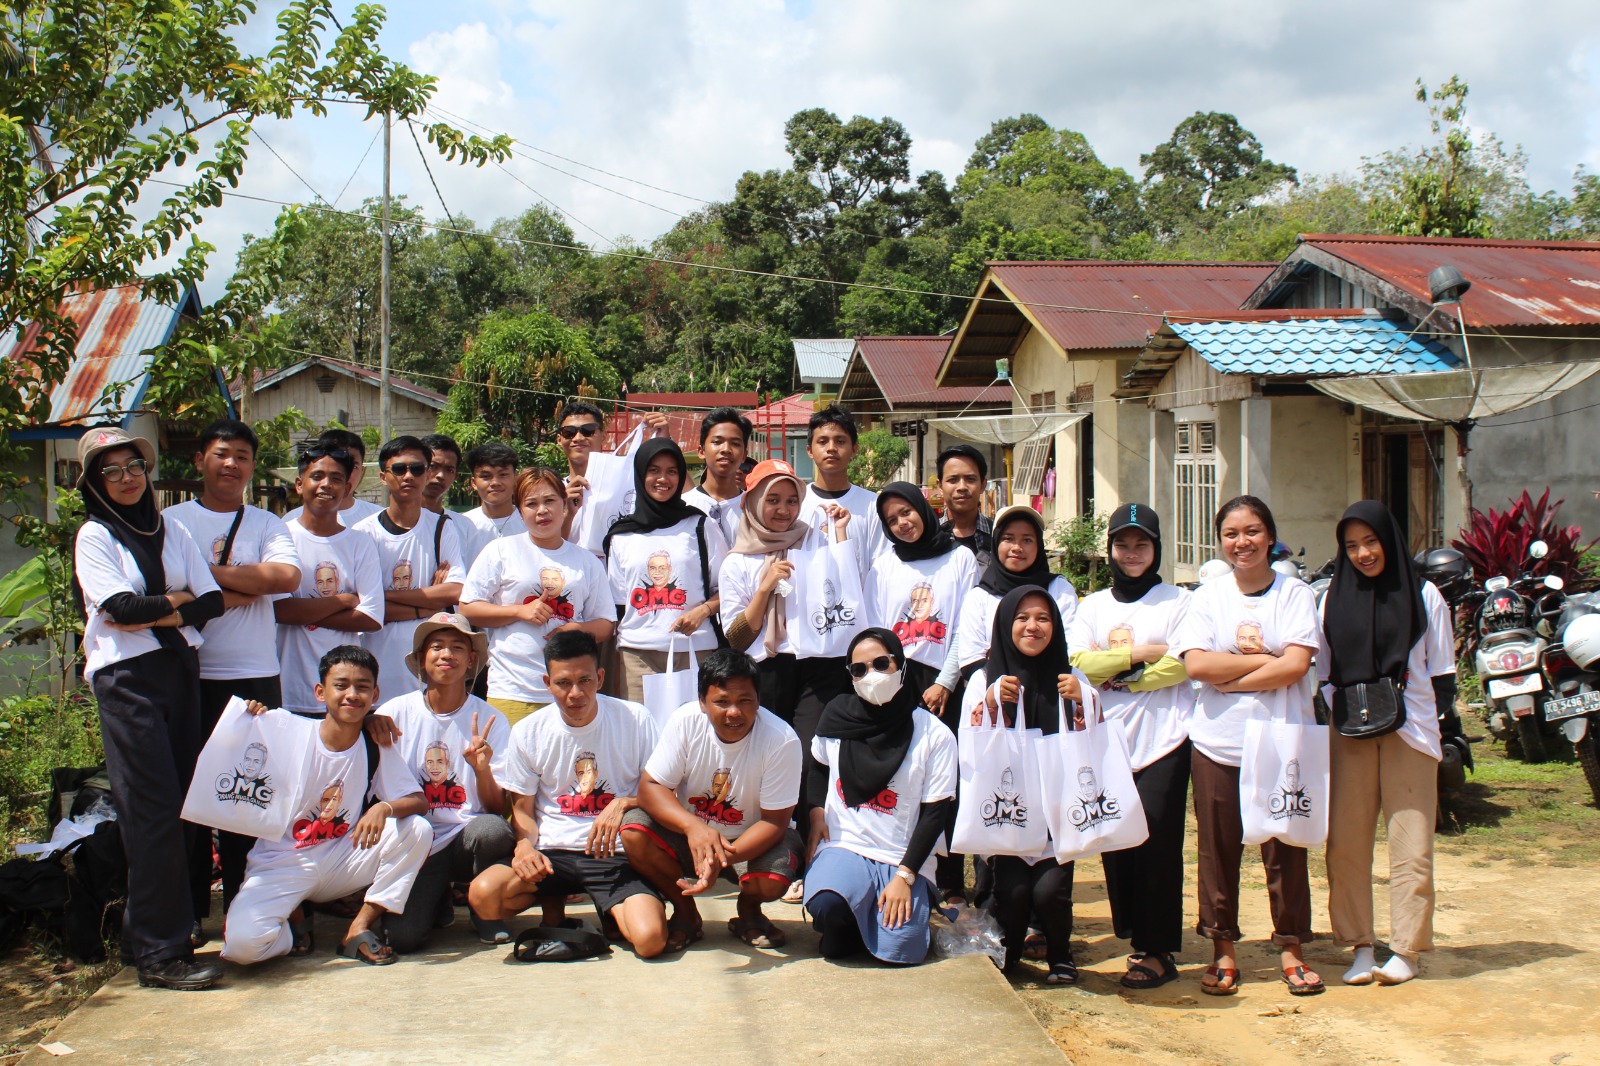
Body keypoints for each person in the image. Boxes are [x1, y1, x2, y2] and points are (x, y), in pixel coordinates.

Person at [72, 426, 224, 990]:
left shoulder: (171, 528)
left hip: (180, 672)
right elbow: (117, 607)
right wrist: (175, 604)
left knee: (184, 804)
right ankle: (159, 955)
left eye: (133, 466)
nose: (127, 478)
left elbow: (211, 602)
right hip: (128, 678)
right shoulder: (94, 536)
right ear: (93, 482)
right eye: (111, 471)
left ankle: (164, 933)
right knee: (152, 809)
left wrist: (162, 611)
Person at [1171, 495, 1324, 997]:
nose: (1243, 542)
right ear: (1221, 541)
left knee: (1285, 846)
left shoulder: (1294, 593)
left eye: (1253, 531)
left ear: (1270, 535)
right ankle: (1222, 946)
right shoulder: (1207, 596)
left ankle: (1291, 945)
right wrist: (1267, 664)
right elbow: (1197, 666)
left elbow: (1298, 664)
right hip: (1219, 743)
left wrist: (1232, 673)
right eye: (1232, 533)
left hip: (1282, 739)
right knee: (1217, 851)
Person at [164, 418, 302, 929]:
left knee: (251, 793)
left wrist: (205, 580)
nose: (232, 464)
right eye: (222, 453)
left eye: (242, 456)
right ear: (201, 459)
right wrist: (246, 588)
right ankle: (193, 911)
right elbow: (164, 590)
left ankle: (248, 910)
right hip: (189, 673)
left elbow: (285, 577)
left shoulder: (267, 523)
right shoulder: (173, 522)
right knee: (192, 795)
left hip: (254, 673)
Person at [221, 646, 431, 967]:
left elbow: (418, 801)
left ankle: (358, 928)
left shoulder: (373, 742)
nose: (352, 694)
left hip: (340, 857)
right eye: (341, 685)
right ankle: (293, 921)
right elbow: (240, 773)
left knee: (416, 829)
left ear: (375, 693)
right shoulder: (287, 732)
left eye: (362, 687)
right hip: (283, 862)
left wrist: (383, 808)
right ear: (320, 692)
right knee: (242, 948)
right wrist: (249, 722)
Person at [467, 631, 670, 958]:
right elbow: (522, 809)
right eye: (563, 683)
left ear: (600, 678)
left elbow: (662, 789)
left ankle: (611, 909)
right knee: (484, 896)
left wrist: (625, 802)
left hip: (613, 854)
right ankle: (555, 908)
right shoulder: (528, 731)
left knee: (650, 942)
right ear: (548, 682)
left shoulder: (636, 719)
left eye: (585, 680)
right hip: (553, 855)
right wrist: (523, 847)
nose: (575, 693)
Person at [1319, 501, 1455, 986]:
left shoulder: (1425, 596)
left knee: (1412, 844)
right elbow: (1324, 673)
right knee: (1347, 846)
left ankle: (1407, 949)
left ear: (1389, 541)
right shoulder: (1331, 599)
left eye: (1371, 542)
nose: (1362, 553)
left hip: (1410, 733)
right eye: (1352, 545)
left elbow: (1442, 673)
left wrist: (1428, 724)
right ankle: (1359, 944)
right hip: (1350, 734)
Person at [1068, 503, 1193, 990]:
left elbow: (1183, 663)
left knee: (1159, 842)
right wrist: (1143, 654)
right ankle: (1133, 936)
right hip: (1106, 741)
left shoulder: (1177, 601)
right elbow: (1078, 662)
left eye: (1142, 544)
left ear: (1157, 548)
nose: (1132, 553)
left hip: (1164, 738)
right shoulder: (1094, 604)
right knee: (1115, 839)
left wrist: (1118, 670)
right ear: (1111, 549)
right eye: (1123, 544)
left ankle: (1158, 948)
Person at [622, 648, 804, 951]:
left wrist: (719, 858)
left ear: (758, 699)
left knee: (771, 879)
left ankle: (749, 912)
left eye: (745, 700)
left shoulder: (781, 740)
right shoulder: (684, 721)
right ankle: (685, 914)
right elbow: (650, 787)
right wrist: (694, 828)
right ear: (702, 702)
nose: (734, 712)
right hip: (690, 837)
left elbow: (775, 821)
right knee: (633, 832)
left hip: (750, 842)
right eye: (721, 702)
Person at [962, 586, 1094, 983]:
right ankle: (1011, 952)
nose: (1032, 627)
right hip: (1010, 808)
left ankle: (1060, 954)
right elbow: (969, 750)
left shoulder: (1070, 677)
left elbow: (1096, 742)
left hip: (1056, 807)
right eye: (1021, 618)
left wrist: (1084, 701)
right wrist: (989, 702)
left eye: (1043, 618)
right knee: (1015, 892)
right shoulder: (986, 678)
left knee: (1050, 892)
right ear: (1004, 626)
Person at [804, 628, 957, 965]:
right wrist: (816, 812)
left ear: (900, 665)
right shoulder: (837, 717)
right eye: (859, 669)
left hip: (901, 856)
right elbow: (817, 766)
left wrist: (906, 876)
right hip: (847, 845)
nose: (870, 675)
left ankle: (892, 917)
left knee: (903, 951)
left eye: (880, 663)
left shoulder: (934, 735)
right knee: (828, 906)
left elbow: (935, 815)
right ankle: (852, 921)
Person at [372, 613, 516, 953]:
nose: (446, 655)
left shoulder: (492, 719)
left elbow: (496, 808)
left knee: (493, 831)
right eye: (436, 647)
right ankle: (436, 901)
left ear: (471, 662)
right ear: (422, 660)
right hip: (413, 842)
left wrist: (481, 770)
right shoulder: (393, 713)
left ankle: (486, 909)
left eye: (456, 647)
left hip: (465, 837)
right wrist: (367, 722)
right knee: (405, 939)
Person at [460, 467, 614, 724]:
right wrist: (518, 611)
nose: (542, 510)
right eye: (531, 504)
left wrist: (576, 629)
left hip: (572, 692)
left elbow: (606, 624)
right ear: (520, 512)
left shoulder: (586, 561)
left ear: (564, 504)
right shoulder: (500, 550)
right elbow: (468, 607)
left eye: (550, 501)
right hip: (512, 687)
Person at [604, 438, 725, 702]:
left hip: (695, 649)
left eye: (672, 471)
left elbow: (729, 588)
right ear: (640, 474)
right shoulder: (621, 536)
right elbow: (617, 603)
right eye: (654, 470)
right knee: (643, 736)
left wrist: (703, 611)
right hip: (637, 655)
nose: (663, 478)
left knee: (695, 734)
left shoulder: (700, 526)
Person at [351, 436, 466, 698]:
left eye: (417, 469)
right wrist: (427, 604)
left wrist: (382, 597)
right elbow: (362, 607)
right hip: (377, 661)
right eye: (399, 469)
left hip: (429, 667)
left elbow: (455, 591)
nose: (408, 476)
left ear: (426, 474)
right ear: (383, 476)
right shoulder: (363, 533)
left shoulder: (441, 527)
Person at [275, 445, 385, 715]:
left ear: (347, 490)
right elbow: (278, 609)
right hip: (289, 686)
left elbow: (371, 618)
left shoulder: (360, 543)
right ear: (300, 484)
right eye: (317, 476)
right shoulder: (279, 536)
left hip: (347, 692)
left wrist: (302, 612)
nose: (326, 484)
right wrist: (344, 600)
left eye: (336, 479)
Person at [956, 505, 1079, 690]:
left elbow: (1072, 647)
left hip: (1051, 695)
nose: (1017, 548)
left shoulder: (1059, 590)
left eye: (1027, 540)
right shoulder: (980, 597)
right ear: (996, 542)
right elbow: (970, 659)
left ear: (1039, 544)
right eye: (1008, 538)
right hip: (997, 700)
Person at [558, 400, 670, 551]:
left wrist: (664, 443)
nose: (578, 438)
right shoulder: (553, 492)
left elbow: (687, 497)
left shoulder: (629, 485)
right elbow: (546, 549)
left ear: (603, 435)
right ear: (559, 439)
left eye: (588, 430)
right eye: (569, 432)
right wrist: (567, 514)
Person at [797, 405, 888, 565]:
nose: (831, 448)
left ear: (854, 449)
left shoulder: (873, 506)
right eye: (822, 441)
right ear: (809, 450)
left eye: (840, 441)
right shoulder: (796, 503)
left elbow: (880, 565)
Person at [682, 406, 750, 553]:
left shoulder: (754, 509)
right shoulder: (682, 506)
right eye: (717, 442)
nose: (726, 449)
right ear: (701, 451)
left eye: (735, 443)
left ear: (744, 455)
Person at [283, 429, 381, 528]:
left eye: (353, 467)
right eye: (318, 476)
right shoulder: (290, 521)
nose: (345, 473)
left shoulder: (378, 519)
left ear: (362, 471)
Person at [457, 441, 522, 570]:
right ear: (474, 483)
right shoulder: (461, 525)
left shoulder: (530, 522)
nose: (495, 482)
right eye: (486, 476)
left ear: (515, 479)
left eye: (503, 475)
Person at [936, 444, 992, 560]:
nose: (962, 487)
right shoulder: (929, 536)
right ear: (940, 486)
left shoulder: (999, 535)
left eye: (970, 479)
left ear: (983, 485)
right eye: (953, 480)